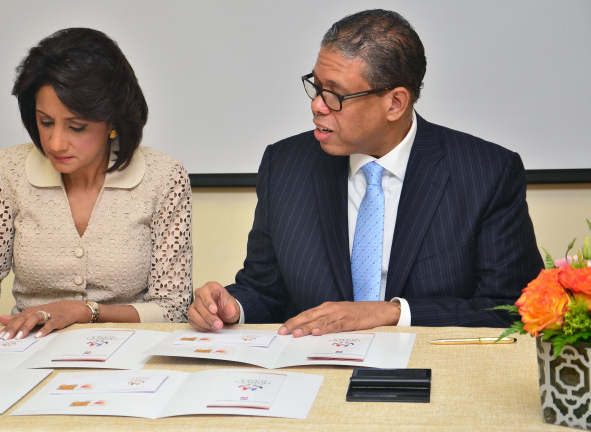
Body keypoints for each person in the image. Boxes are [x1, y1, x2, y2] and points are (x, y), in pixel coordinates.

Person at [188, 9, 543, 336]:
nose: (317, 105)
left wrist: (392, 313)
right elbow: (264, 290)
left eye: (336, 95)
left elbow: (509, 308)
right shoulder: (284, 165)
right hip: (312, 368)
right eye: (316, 87)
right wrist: (231, 306)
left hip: (431, 368)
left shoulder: (487, 173)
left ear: (395, 103)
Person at [0, 28, 192, 340]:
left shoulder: (163, 177)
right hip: (28, 349)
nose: (55, 143)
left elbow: (173, 309)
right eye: (45, 122)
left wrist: (85, 311)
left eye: (76, 127)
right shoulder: (6, 169)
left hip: (128, 350)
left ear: (112, 121)